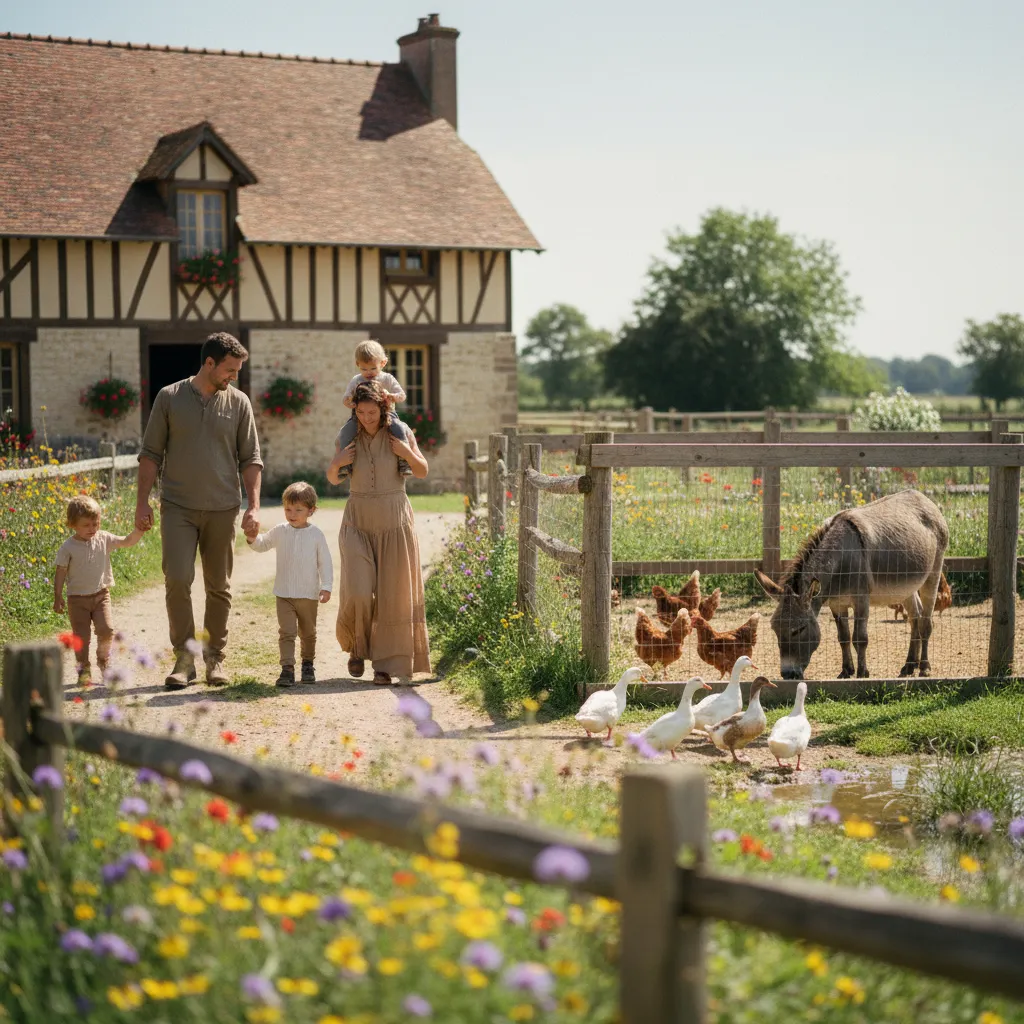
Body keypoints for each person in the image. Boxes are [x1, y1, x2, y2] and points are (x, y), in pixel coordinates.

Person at [135, 331, 263, 690]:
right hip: (177, 506)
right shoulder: (170, 397)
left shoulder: (239, 404)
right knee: (177, 578)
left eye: (237, 370)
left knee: (218, 586)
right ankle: (185, 658)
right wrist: (142, 501)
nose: (234, 376)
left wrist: (253, 506)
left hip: (223, 507)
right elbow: (150, 455)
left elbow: (251, 459)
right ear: (209, 363)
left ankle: (215, 658)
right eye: (230, 369)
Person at [327, 379, 430, 685]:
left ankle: (385, 666)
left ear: (383, 409)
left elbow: (422, 470)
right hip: (358, 520)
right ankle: (357, 649)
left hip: (395, 519)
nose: (367, 418)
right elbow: (333, 479)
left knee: (392, 595)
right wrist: (337, 463)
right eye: (361, 413)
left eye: (372, 413)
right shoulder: (348, 436)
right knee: (358, 589)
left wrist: (407, 453)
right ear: (355, 411)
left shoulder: (401, 432)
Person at [244, 481, 333, 687]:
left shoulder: (316, 535)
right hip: (284, 594)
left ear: (311, 510)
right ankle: (287, 669)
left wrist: (326, 586)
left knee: (308, 633)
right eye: (288, 509)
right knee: (286, 632)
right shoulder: (280, 531)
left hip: (308, 595)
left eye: (298, 510)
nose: (292, 514)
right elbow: (262, 544)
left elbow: (325, 562)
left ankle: (308, 664)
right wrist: (251, 537)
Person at [53, 494, 147, 683]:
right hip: (77, 599)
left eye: (95, 524)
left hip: (101, 595)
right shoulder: (68, 547)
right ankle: (83, 668)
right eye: (86, 525)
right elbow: (61, 572)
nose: (92, 529)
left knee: (107, 629)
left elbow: (126, 541)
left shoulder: (103, 538)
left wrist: (139, 530)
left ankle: (104, 661)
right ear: (73, 524)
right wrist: (57, 596)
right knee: (81, 637)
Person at [335, 340, 411, 478]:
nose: (369, 373)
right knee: (345, 432)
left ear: (383, 363)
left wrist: (390, 395)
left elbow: (402, 396)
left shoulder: (387, 378)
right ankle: (345, 464)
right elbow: (346, 398)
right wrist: (349, 402)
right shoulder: (356, 380)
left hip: (387, 414)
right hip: (361, 416)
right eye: (364, 369)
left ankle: (403, 461)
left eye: (373, 368)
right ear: (357, 364)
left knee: (399, 428)